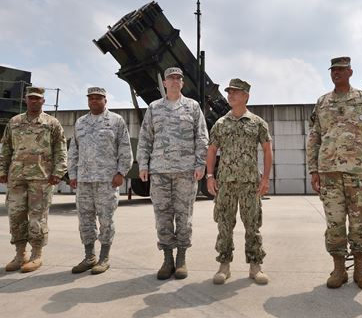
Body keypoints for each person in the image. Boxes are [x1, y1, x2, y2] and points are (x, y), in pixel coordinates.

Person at [307, 57, 362, 291]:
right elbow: (314, 138)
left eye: (341, 70)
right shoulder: (322, 102)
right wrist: (314, 169)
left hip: (357, 173)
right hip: (328, 172)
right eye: (333, 70)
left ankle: (360, 271)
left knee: (358, 222)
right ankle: (339, 269)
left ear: (350, 72)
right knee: (334, 223)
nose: (336, 73)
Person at [137, 66, 209, 280]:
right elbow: (145, 138)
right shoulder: (154, 108)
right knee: (163, 216)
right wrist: (143, 164)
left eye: (179, 78)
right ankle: (167, 259)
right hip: (159, 172)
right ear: (165, 83)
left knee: (184, 217)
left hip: (186, 172)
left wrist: (200, 164)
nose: (175, 81)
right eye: (171, 78)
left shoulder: (193, 107)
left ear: (182, 83)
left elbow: (202, 137)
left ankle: (182, 259)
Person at [206, 78, 273, 285]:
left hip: (249, 183)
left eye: (235, 92)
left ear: (246, 96)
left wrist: (265, 179)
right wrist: (210, 176)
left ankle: (255, 266)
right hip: (226, 183)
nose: (230, 95)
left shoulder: (257, 122)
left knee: (252, 225)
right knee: (224, 225)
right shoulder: (221, 123)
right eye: (229, 92)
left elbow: (267, 150)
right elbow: (212, 150)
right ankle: (224, 266)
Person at [0, 86, 67, 273]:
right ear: (25, 100)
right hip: (17, 176)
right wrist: (1, 170)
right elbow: (5, 148)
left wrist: (58, 172)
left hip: (42, 178)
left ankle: (37, 255)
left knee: (38, 217)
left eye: (38, 99)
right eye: (31, 98)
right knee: (16, 215)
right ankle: (20, 255)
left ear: (43, 101)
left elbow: (61, 149)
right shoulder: (14, 122)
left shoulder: (52, 123)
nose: (34, 101)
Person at [67, 87, 133, 275]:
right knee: (85, 219)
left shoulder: (116, 121)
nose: (94, 101)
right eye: (91, 98)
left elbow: (125, 148)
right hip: (84, 180)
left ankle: (104, 258)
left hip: (107, 180)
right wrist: (72, 174)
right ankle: (89, 257)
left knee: (106, 220)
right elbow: (73, 151)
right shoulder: (80, 123)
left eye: (98, 98)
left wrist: (121, 172)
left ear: (105, 100)